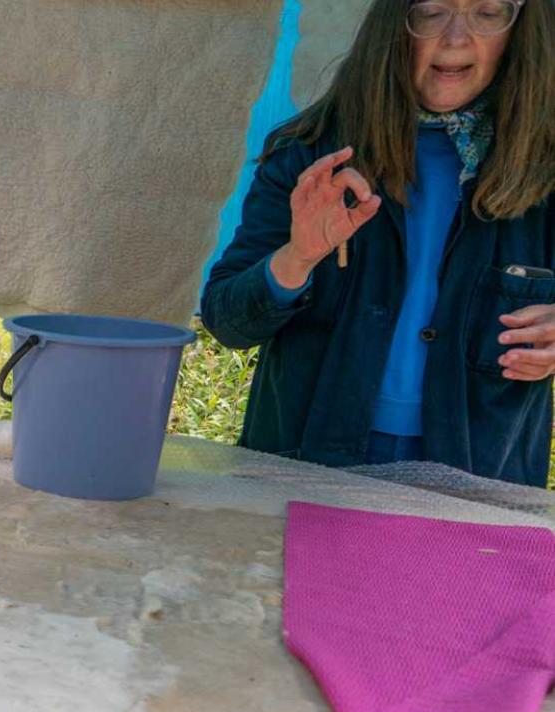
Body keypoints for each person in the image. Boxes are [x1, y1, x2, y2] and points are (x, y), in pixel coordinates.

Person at [202, 0, 555, 485]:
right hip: (305, 463)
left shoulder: (545, 170)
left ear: (522, 31)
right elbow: (227, 320)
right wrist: (298, 256)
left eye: (489, 11)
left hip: (480, 474)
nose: (456, 36)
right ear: (395, 25)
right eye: (432, 11)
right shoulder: (309, 152)